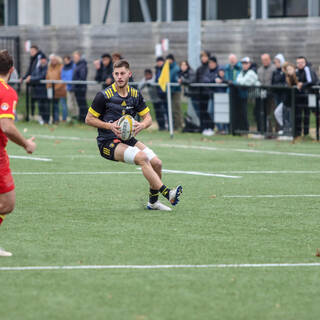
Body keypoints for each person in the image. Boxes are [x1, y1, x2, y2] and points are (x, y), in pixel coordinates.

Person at [85, 59, 183, 211]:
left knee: (157, 163)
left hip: (127, 139)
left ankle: (153, 203)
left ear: (129, 74)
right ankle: (167, 192)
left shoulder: (135, 95)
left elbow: (149, 118)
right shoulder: (103, 95)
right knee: (142, 158)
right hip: (108, 142)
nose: (119, 77)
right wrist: (109, 126)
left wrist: (142, 125)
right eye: (116, 74)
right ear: (113, 75)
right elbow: (88, 119)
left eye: (122, 73)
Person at [0, 50, 36, 257]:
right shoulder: (6, 91)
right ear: (12, 70)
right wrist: (26, 144)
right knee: (7, 203)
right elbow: (6, 126)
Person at [21, 45, 46, 120]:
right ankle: (32, 116)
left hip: (40, 85)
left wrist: (31, 77)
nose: (31, 52)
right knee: (33, 101)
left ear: (36, 51)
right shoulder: (33, 58)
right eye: (30, 51)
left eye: (33, 51)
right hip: (34, 83)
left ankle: (42, 118)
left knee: (41, 103)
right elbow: (30, 70)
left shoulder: (40, 57)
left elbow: (38, 71)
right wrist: (24, 77)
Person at [235, 57, 260, 133]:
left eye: (246, 63)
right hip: (249, 96)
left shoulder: (252, 72)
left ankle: (260, 131)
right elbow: (238, 81)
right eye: (243, 63)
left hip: (257, 96)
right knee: (249, 114)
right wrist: (240, 81)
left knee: (258, 113)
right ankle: (246, 129)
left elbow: (243, 83)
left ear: (250, 64)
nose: (244, 65)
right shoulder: (242, 72)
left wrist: (240, 81)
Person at [295, 56, 318, 137]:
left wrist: (302, 85)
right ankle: (298, 133)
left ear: (305, 63)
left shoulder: (308, 69)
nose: (299, 64)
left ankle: (306, 133)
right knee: (298, 115)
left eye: (301, 62)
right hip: (299, 96)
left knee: (307, 114)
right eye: (298, 62)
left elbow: (312, 81)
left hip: (309, 96)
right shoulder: (296, 70)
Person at [194, 51, 214, 136]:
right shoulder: (199, 68)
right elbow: (196, 79)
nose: (203, 58)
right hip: (200, 93)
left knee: (207, 112)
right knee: (201, 112)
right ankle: (203, 128)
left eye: (205, 56)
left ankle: (210, 127)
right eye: (202, 57)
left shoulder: (209, 68)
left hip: (207, 93)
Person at [257, 53, 277, 133]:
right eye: (263, 60)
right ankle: (268, 131)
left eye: (266, 60)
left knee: (273, 113)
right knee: (265, 113)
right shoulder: (259, 69)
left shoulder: (274, 68)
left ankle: (277, 131)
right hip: (262, 94)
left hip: (272, 95)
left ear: (269, 59)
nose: (264, 61)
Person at [28, 54, 50, 124]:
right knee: (40, 106)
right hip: (38, 91)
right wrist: (32, 78)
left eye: (43, 59)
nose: (42, 61)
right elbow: (34, 74)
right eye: (41, 59)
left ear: (45, 60)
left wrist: (31, 79)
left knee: (46, 106)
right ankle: (43, 120)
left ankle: (47, 120)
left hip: (45, 90)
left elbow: (42, 76)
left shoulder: (47, 67)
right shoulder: (38, 67)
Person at [46, 54, 67, 123]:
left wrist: (56, 87)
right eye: (51, 60)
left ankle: (64, 119)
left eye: (54, 59)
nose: (53, 61)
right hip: (51, 89)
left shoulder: (61, 67)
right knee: (55, 105)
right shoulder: (49, 67)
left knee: (63, 104)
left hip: (60, 89)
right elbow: (47, 77)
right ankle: (56, 119)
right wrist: (48, 86)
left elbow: (63, 79)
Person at [166, 54, 183, 130]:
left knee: (176, 109)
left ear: (171, 60)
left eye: (168, 59)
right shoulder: (168, 68)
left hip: (175, 92)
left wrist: (172, 88)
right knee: (172, 110)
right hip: (170, 91)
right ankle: (174, 126)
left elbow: (176, 80)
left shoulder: (176, 68)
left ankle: (178, 126)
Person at [72, 51, 88, 122]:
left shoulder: (82, 65)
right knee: (80, 103)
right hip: (77, 87)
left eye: (75, 57)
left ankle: (85, 118)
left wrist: (76, 82)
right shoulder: (78, 65)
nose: (74, 59)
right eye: (74, 57)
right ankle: (81, 117)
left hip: (80, 88)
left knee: (82, 104)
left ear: (79, 57)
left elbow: (82, 77)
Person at [61, 55, 77, 121]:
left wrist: (71, 81)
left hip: (75, 87)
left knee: (75, 103)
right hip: (68, 88)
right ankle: (73, 116)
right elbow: (63, 77)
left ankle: (77, 117)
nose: (65, 62)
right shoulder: (64, 68)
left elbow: (74, 76)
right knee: (69, 104)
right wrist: (67, 82)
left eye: (66, 60)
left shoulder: (74, 66)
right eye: (64, 61)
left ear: (69, 60)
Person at [154, 57, 168, 130]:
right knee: (161, 111)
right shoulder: (157, 70)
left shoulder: (165, 69)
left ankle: (169, 125)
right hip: (159, 93)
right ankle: (163, 126)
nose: (159, 63)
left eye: (160, 61)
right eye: (158, 61)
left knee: (167, 110)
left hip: (165, 93)